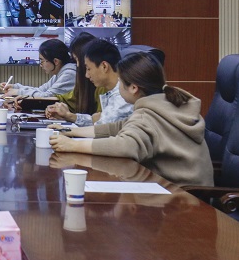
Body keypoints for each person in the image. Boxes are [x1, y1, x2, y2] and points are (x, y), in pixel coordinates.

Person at [49, 52, 214, 187]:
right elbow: (118, 127)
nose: (118, 86)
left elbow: (125, 146)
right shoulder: (165, 104)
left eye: (120, 82)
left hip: (184, 197)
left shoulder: (148, 115)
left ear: (133, 87)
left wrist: (73, 145)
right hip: (187, 191)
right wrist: (70, 131)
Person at [45, 39, 132, 126]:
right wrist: (68, 116)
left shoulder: (124, 95)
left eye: (88, 69)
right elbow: (99, 121)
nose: (86, 75)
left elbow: (102, 128)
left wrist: (66, 130)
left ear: (104, 66)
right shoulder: (111, 91)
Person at [1, 39, 76, 98]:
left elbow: (47, 96)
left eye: (42, 61)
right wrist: (15, 87)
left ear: (56, 61)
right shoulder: (59, 74)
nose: (41, 65)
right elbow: (41, 90)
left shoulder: (69, 74)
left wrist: (18, 92)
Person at [52, 32, 104, 115]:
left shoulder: (103, 85)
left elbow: (101, 120)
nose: (78, 65)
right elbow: (70, 98)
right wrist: (55, 107)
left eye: (77, 59)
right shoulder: (85, 82)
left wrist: (70, 116)